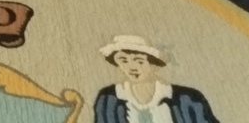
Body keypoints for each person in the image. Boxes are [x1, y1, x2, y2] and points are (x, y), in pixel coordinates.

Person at [94, 35, 222, 122]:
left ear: (154, 65)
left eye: (139, 61)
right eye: (124, 61)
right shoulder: (109, 98)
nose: (132, 67)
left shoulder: (187, 98)